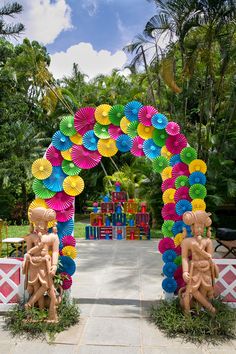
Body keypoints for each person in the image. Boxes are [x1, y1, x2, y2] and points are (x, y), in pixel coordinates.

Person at [22, 207, 60, 322]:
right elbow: (28, 251)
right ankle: (38, 314)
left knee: (46, 286)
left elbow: (55, 251)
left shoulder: (52, 237)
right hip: (33, 265)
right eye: (37, 222)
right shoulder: (31, 237)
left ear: (47, 223)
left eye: (42, 222)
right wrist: (28, 257)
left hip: (45, 265)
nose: (39, 225)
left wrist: (54, 265)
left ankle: (30, 304)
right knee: (35, 288)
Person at [179, 210, 219, 314]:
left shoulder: (208, 241)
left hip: (206, 269)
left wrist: (200, 250)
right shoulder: (187, 241)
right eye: (197, 227)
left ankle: (200, 309)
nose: (199, 229)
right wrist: (185, 271)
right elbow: (184, 258)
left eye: (202, 227)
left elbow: (210, 257)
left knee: (205, 290)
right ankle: (209, 308)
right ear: (192, 228)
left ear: (205, 229)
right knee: (192, 289)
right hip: (194, 269)